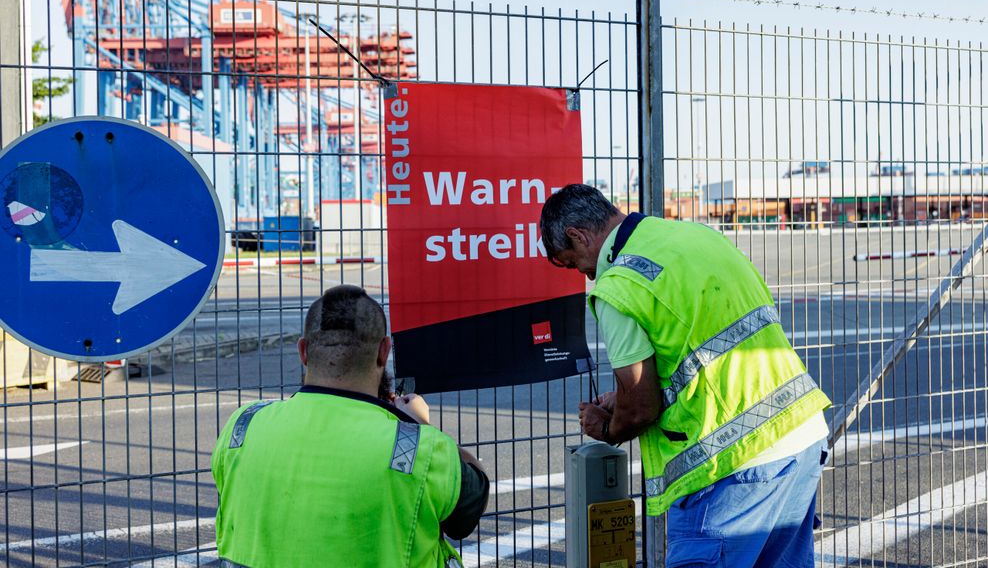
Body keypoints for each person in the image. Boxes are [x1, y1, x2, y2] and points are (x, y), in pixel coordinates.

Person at [540, 184, 831, 568]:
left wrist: (607, 427)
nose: (584, 273)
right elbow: (701, 348)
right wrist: (624, 396)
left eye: (572, 261)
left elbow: (641, 408)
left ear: (579, 236)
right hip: (800, 437)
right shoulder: (696, 236)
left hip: (731, 468)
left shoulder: (618, 288)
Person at [211, 285, 489, 568]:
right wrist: (418, 425)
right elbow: (467, 512)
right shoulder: (420, 448)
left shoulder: (243, 425)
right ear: (384, 352)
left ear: (303, 351)